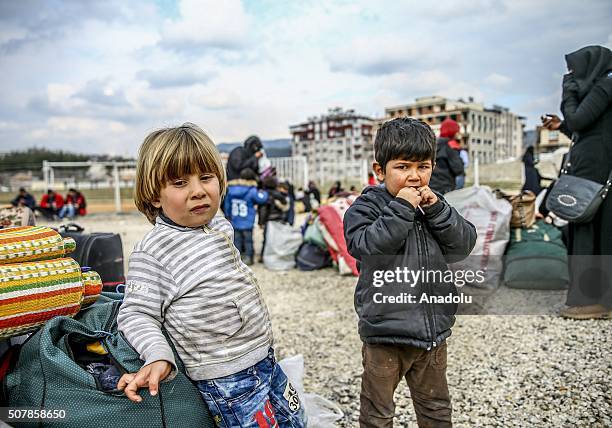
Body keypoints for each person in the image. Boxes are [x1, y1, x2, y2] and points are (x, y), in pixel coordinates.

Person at [116, 123, 306, 427]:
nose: (198, 191)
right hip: (227, 379)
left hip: (264, 357)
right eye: (180, 183)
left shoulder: (217, 225)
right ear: (154, 196)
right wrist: (157, 355)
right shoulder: (154, 251)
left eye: (206, 178)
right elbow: (136, 313)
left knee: (295, 418)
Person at [343, 117, 477, 427]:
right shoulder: (367, 207)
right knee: (378, 412)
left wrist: (438, 210)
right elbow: (367, 247)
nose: (415, 177)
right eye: (403, 167)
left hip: (432, 333)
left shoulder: (434, 204)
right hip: (386, 334)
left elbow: (463, 244)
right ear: (380, 171)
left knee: (436, 409)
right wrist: (402, 208)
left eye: (423, 167)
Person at [542, 45, 612, 319]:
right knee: (597, 235)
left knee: (588, 234)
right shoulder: (604, 85)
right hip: (596, 170)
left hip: (595, 173)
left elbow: (579, 120)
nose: (570, 74)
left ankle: (593, 300)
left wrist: (568, 92)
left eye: (574, 69)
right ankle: (599, 298)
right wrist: (560, 125)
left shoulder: (607, 84)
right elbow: (584, 128)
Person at [224, 168, 269, 265]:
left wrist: (228, 215)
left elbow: (227, 204)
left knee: (237, 241)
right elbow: (262, 199)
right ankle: (249, 258)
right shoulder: (252, 190)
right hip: (247, 221)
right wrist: (264, 192)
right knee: (248, 241)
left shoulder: (231, 189)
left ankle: (238, 259)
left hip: (235, 220)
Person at [429, 118, 465, 194]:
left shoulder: (432, 144)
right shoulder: (451, 145)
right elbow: (458, 169)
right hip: (445, 187)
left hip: (430, 186)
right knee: (461, 175)